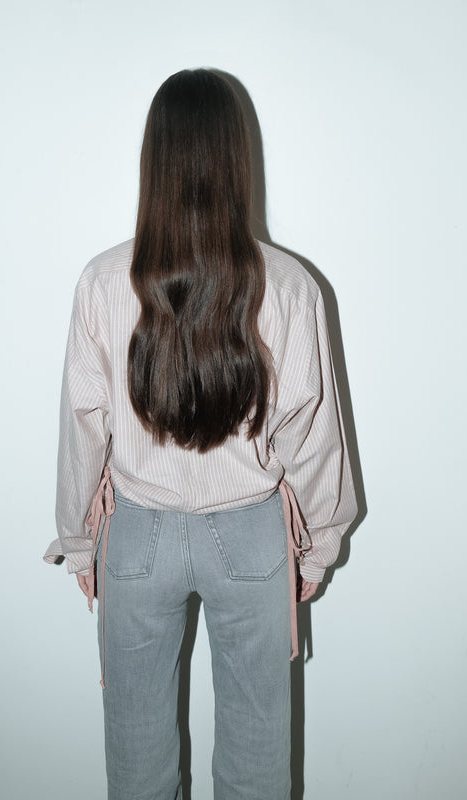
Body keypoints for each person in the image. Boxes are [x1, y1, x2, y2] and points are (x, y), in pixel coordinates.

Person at [43, 68, 357, 800]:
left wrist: (80, 540)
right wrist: (320, 543)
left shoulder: (102, 280)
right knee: (257, 763)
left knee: (137, 758)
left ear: (152, 160)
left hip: (137, 535)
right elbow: (312, 431)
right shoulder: (289, 285)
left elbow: (81, 424)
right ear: (235, 160)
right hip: (250, 536)